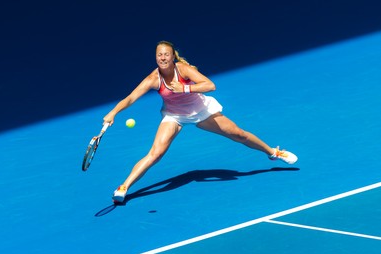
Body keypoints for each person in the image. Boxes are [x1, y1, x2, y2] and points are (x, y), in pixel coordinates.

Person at [103, 40, 298, 203]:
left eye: (166, 55)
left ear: (172, 57)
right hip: (174, 116)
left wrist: (185, 89)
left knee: (238, 134)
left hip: (201, 111)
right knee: (155, 154)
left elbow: (210, 85)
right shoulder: (153, 79)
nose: (162, 58)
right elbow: (130, 98)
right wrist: (113, 113)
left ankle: (273, 152)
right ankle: (123, 187)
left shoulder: (184, 70)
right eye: (159, 55)